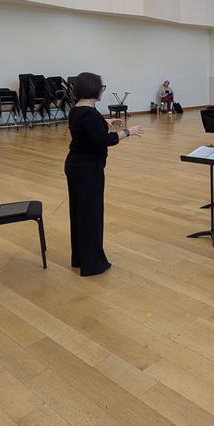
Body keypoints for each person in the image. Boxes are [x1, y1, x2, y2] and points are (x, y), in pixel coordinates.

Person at [65, 71, 143, 276]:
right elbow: (103, 140)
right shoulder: (89, 113)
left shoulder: (78, 110)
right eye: (101, 87)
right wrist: (129, 132)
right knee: (90, 214)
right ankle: (93, 263)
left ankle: (80, 258)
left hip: (76, 165)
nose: (102, 90)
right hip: (88, 168)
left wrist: (104, 122)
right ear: (93, 89)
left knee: (80, 213)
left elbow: (87, 128)